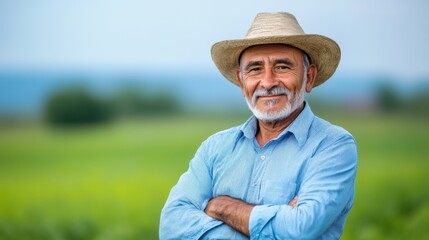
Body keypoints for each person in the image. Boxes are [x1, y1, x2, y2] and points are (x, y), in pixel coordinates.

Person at [160, 12, 357, 239]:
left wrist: (221, 208)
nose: (268, 82)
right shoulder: (215, 147)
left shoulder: (333, 145)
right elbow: (171, 225)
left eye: (282, 67)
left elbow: (301, 229)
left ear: (309, 77)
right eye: (255, 69)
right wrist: (276, 222)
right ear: (242, 82)